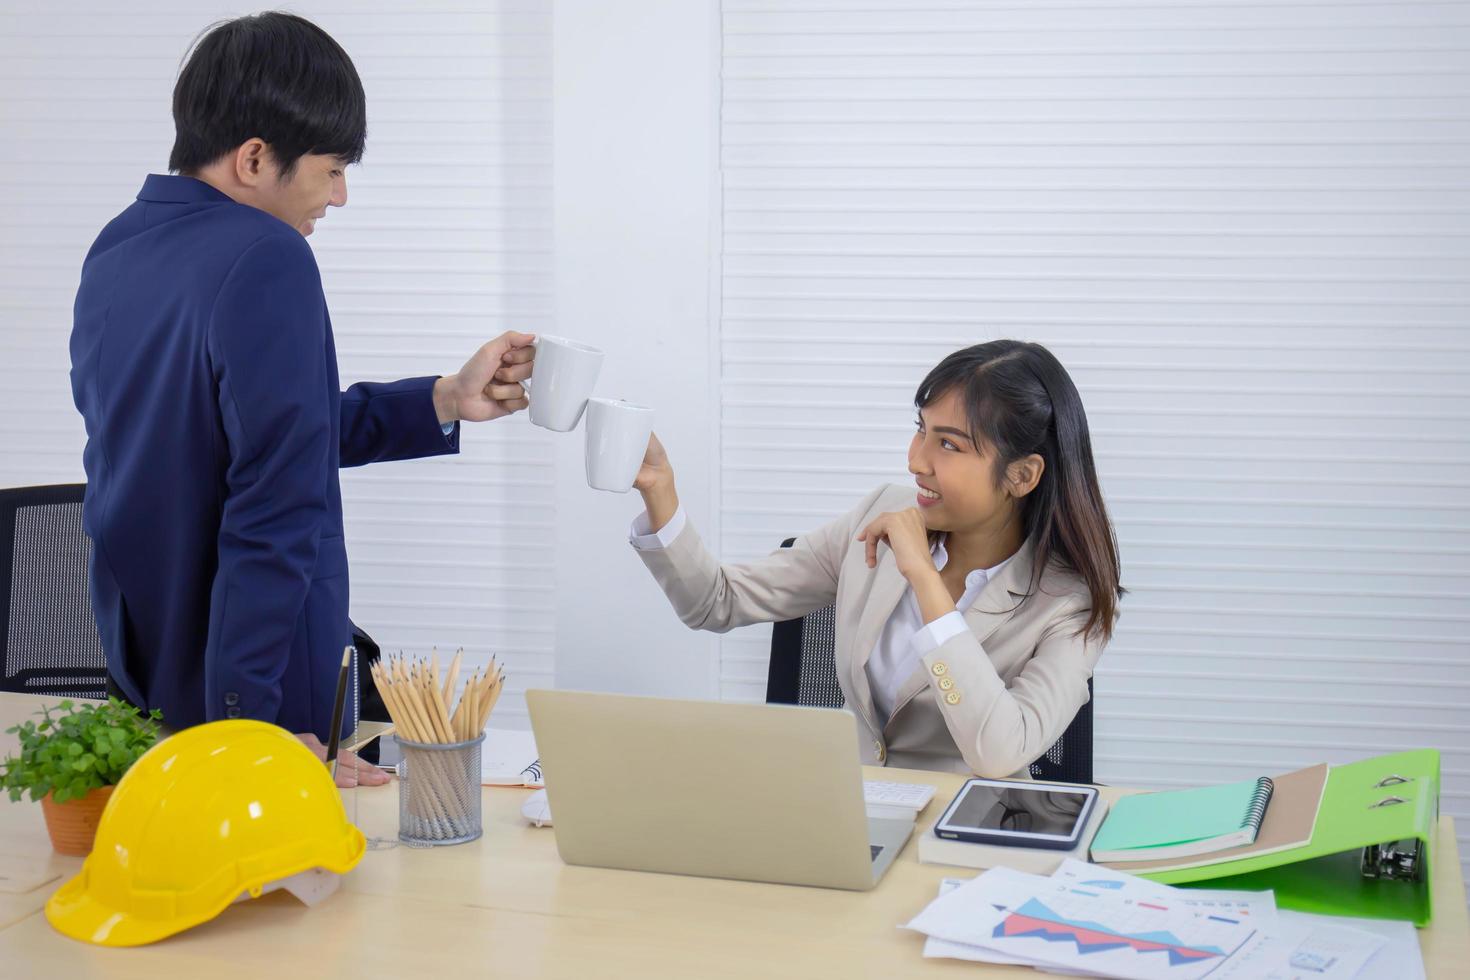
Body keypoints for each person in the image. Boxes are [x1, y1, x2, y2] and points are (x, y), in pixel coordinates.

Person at [68, 12, 534, 786]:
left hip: (150, 665)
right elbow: (275, 506)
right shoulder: (265, 254)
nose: (341, 195)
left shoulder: (118, 246)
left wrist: (446, 398)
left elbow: (218, 440)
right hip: (254, 693)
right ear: (255, 158)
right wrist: (254, 731)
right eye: (332, 168)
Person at [628, 340, 1123, 777]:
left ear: (1022, 476)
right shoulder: (880, 512)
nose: (915, 460)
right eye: (921, 430)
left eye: (948, 443)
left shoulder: (1071, 604)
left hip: (967, 838)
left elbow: (999, 752)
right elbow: (716, 602)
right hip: (847, 814)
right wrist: (661, 490)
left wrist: (924, 579)